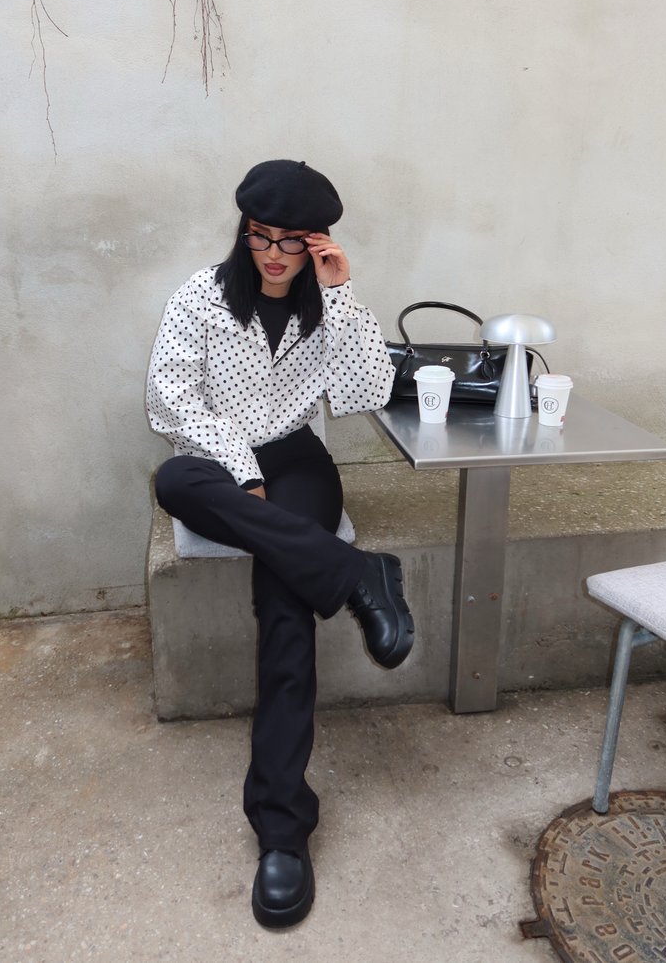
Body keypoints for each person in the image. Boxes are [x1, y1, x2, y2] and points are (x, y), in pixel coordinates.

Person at [146, 159, 415, 929]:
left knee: (286, 611)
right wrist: (240, 474)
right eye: (260, 237)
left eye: (289, 244)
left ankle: (282, 833)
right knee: (174, 484)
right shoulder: (200, 297)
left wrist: (340, 292)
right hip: (217, 460)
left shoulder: (326, 305)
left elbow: (366, 393)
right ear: (244, 232)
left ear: (315, 246)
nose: (271, 254)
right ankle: (358, 574)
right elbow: (169, 401)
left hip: (298, 460)